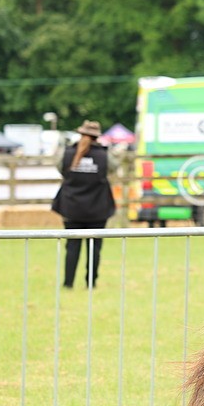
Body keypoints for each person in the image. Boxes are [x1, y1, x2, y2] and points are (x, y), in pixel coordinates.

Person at [52, 120, 117, 288]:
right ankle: (91, 283)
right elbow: (113, 168)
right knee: (94, 247)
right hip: (97, 207)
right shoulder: (104, 155)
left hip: (71, 207)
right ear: (97, 137)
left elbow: (60, 168)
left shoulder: (67, 153)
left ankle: (68, 283)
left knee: (72, 246)